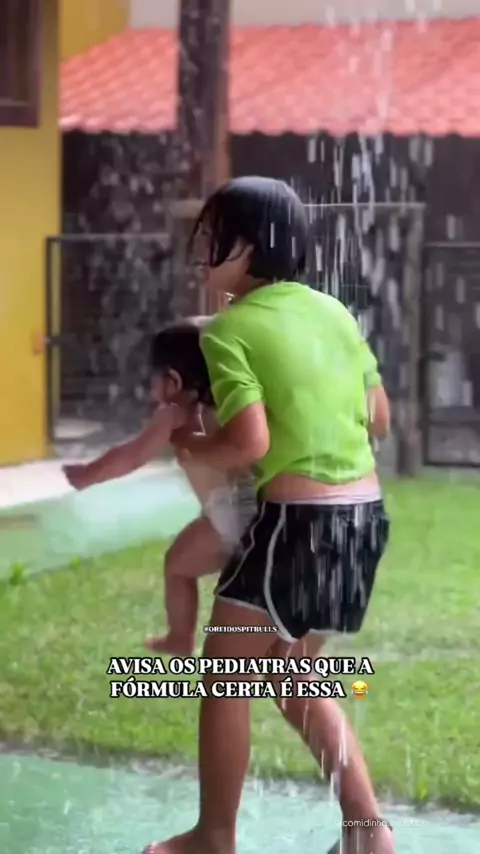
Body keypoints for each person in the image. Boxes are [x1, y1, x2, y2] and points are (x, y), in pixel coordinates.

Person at [144, 177, 394, 854]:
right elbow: (378, 417)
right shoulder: (334, 312)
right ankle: (368, 833)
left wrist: (193, 444)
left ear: (250, 247)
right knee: (291, 674)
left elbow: (248, 444)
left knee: (225, 678)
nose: (199, 249)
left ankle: (212, 837)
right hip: (364, 520)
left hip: (297, 526)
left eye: (211, 236)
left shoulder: (231, 330)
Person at [63, 317, 256, 656]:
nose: (150, 388)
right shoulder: (231, 405)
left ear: (173, 381)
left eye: (153, 377)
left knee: (177, 566)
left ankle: (180, 638)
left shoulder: (175, 413)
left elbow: (132, 456)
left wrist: (88, 474)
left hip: (226, 516)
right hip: (261, 510)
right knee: (243, 593)